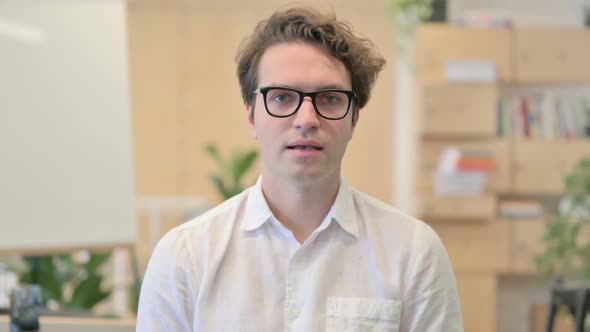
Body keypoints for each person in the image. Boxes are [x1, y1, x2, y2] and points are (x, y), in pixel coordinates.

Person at [136, 6, 463, 332]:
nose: (306, 120)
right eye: (281, 97)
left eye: (330, 99)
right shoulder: (186, 256)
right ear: (252, 116)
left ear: (354, 119)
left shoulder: (413, 253)